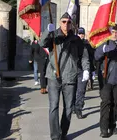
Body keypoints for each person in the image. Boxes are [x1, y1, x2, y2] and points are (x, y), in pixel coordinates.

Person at [40, 12, 90, 140]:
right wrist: (47, 31)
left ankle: (63, 133)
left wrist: (86, 70)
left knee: (68, 108)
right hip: (53, 76)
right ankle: (55, 136)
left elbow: (83, 56)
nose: (66, 24)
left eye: (68, 22)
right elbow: (42, 43)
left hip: (70, 77)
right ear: (59, 23)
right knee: (54, 107)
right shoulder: (54, 36)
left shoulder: (76, 40)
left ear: (71, 24)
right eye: (63, 22)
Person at [72, 27, 96, 119]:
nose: (81, 35)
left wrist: (92, 70)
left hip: (84, 70)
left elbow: (91, 58)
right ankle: (73, 106)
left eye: (82, 34)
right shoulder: (72, 43)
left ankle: (79, 108)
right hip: (73, 69)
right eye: (79, 34)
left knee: (81, 90)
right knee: (72, 90)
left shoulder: (87, 45)